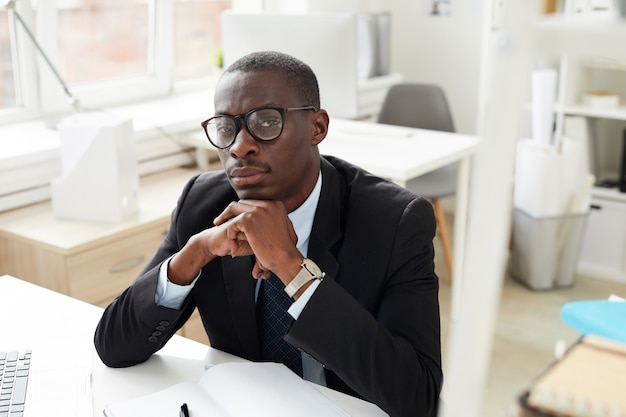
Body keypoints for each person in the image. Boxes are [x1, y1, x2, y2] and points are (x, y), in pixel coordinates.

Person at [94, 50, 443, 417]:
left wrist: (292, 268)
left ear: (317, 128)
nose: (240, 147)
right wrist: (193, 255)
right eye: (227, 128)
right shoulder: (204, 203)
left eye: (265, 122)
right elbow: (113, 347)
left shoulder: (396, 221)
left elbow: (418, 397)